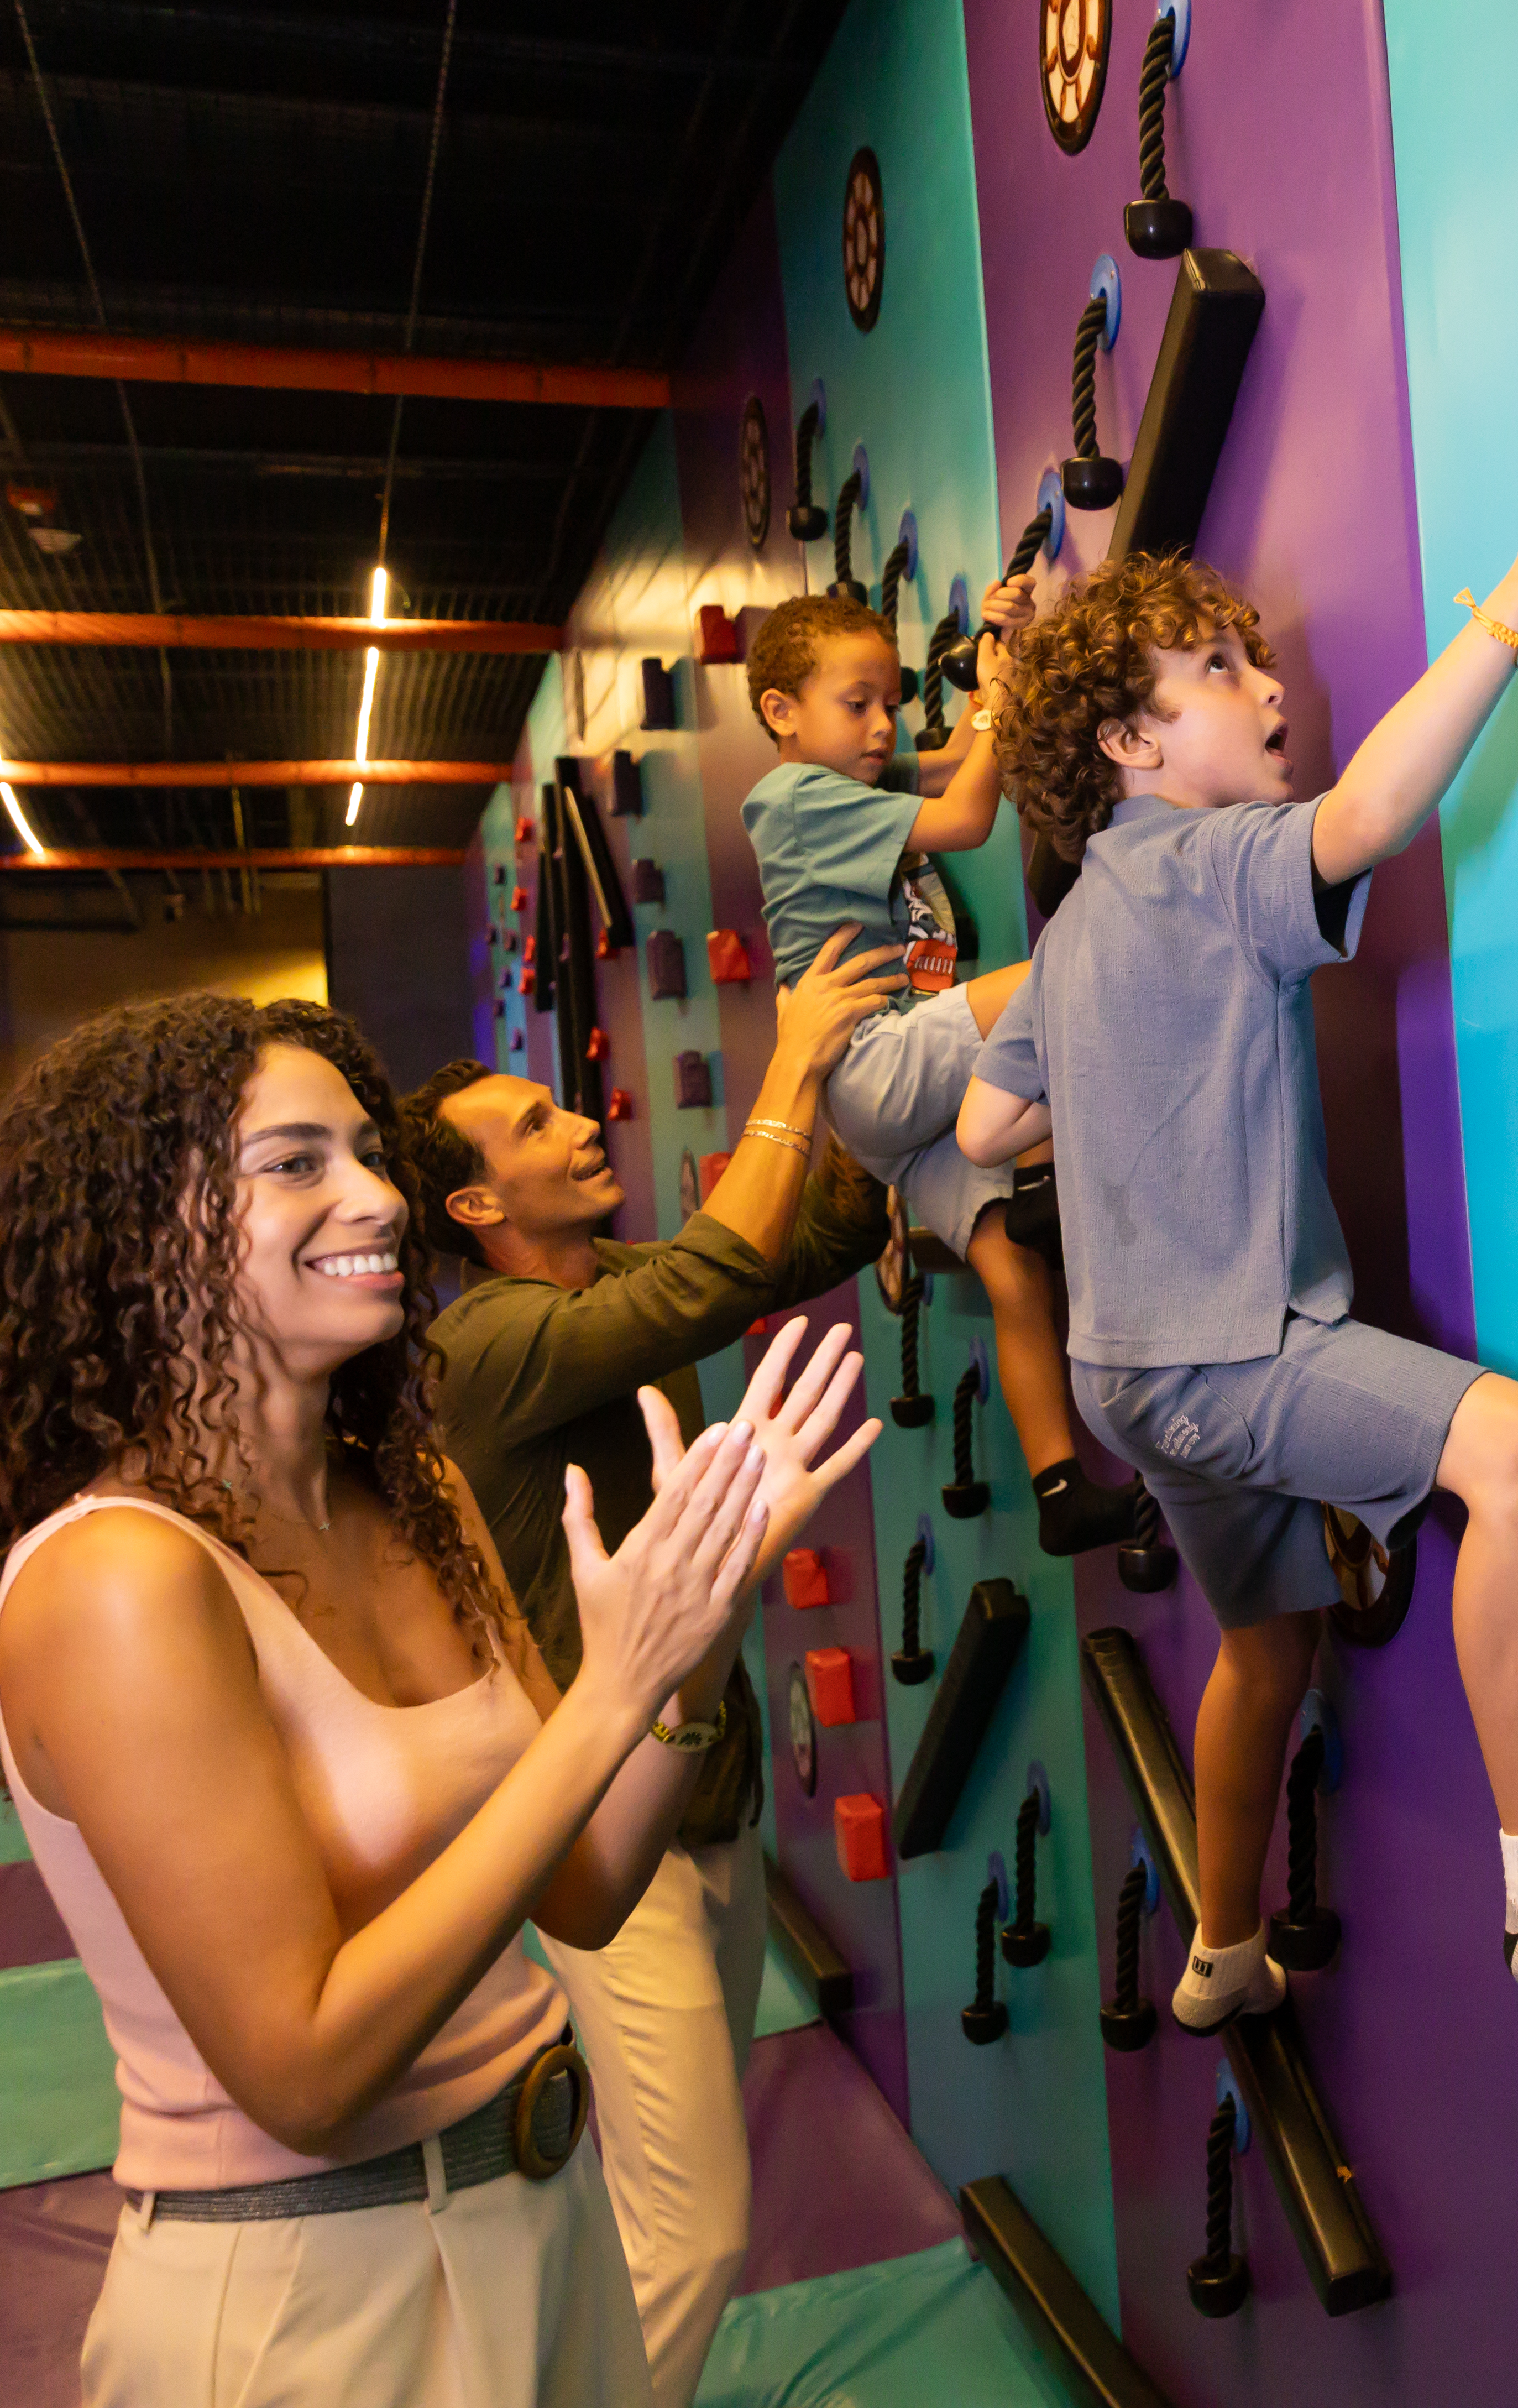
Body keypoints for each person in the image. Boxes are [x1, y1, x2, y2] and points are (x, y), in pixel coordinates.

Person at [0, 993, 876, 2407]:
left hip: (544, 2223)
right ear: (146, 1228)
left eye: (367, 1153)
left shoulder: (414, 1497)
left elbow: (590, 1887)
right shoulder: (118, 1578)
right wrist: (613, 1692)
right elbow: (304, 2069)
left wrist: (701, 1624)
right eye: (294, 1161)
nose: (375, 1193)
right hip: (310, 2301)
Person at [960, 401, 1518, 2027]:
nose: (1271, 689)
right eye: (1219, 670)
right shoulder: (1214, 866)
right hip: (1235, 1353)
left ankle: (1220, 1950)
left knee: (1266, 1646)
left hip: (1128, 1380)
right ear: (1132, 746)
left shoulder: (1071, 926)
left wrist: (1128, 1075)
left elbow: (994, 1120)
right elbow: (1371, 819)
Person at [390, 931, 894, 2404]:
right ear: (477, 1205)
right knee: (698, 2229)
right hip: (613, 1837)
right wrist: (792, 1057)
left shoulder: (607, 1279)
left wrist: (896, 1057)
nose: (580, 1124)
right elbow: (706, 1291)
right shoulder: (486, 1342)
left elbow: (810, 1243)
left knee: (658, 2203)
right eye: (536, 1125)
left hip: (712, 1782)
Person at [736, 582, 1156, 1557]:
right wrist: (991, 704)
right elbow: (970, 815)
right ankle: (1064, 1160)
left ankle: (1059, 1487)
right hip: (881, 1054)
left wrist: (999, 660)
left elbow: (976, 753)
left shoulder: (852, 783)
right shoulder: (796, 797)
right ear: (780, 713)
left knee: (1014, 1271)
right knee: (1070, 959)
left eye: (890, 700)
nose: (883, 723)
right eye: (858, 703)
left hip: (891, 1099)